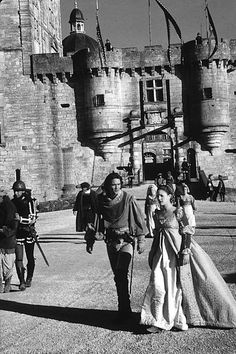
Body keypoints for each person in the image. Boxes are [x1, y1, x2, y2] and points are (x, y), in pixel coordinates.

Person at [140, 185, 236, 333]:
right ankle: (157, 318)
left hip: (175, 253)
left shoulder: (178, 212)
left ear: (170, 196)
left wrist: (185, 251)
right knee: (157, 284)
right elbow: (157, 236)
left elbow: (186, 232)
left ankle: (170, 320)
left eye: (161, 195)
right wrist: (152, 254)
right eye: (157, 196)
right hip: (160, 254)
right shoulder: (157, 213)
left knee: (173, 286)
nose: (158, 198)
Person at [85, 172, 147, 323]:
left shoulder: (128, 199)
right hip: (111, 241)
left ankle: (125, 309)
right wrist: (90, 240)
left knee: (121, 271)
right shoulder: (101, 201)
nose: (116, 187)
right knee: (118, 277)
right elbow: (95, 221)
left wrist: (141, 239)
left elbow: (138, 218)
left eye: (119, 184)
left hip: (126, 240)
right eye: (113, 184)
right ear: (107, 185)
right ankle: (123, 309)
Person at [12, 180, 38, 290]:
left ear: (23, 191)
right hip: (17, 233)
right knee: (18, 258)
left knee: (30, 257)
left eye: (18, 191)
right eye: (15, 191)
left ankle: (29, 278)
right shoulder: (12, 202)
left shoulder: (29, 201)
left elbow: (32, 218)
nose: (16, 193)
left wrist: (20, 219)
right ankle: (21, 281)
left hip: (28, 231)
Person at [0, 187, 18, 293]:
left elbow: (14, 225)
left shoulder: (10, 207)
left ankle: (7, 283)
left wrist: (4, 230)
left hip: (8, 241)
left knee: (8, 264)